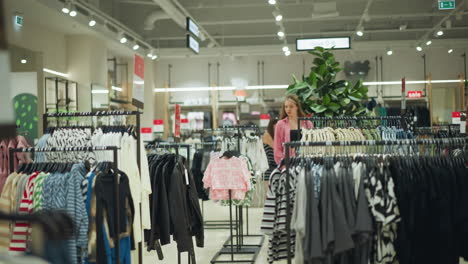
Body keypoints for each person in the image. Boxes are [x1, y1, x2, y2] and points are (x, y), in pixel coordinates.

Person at [273, 95, 312, 165]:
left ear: (297, 107)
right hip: (288, 163)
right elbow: (277, 148)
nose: (288, 109)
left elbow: (312, 144)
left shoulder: (307, 123)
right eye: (286, 107)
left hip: (305, 162)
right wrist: (283, 165)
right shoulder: (280, 124)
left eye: (291, 106)